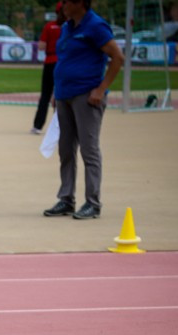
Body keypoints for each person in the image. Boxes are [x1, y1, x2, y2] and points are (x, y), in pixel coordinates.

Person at [43, 0, 124, 221]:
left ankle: (93, 203)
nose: (62, 6)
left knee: (89, 150)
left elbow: (117, 57)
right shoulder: (68, 27)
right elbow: (66, 60)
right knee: (66, 150)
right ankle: (66, 199)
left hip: (87, 97)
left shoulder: (96, 26)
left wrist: (101, 89)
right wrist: (56, 92)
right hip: (64, 95)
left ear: (80, 2)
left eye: (66, 2)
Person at [32, 3, 65, 134]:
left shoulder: (49, 26)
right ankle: (61, 126)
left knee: (45, 95)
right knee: (62, 96)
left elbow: (41, 46)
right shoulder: (71, 27)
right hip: (64, 63)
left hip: (50, 61)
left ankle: (38, 126)